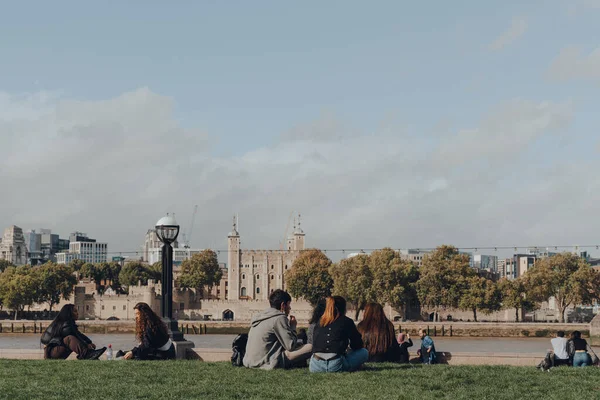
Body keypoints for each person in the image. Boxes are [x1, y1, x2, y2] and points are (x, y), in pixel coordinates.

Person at [243, 289, 311, 369]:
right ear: (283, 305)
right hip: (267, 362)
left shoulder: (260, 316)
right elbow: (290, 346)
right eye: (288, 304)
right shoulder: (279, 318)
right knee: (311, 347)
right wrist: (293, 327)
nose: (290, 308)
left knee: (299, 345)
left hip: (249, 362)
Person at [309, 296, 369, 373]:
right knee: (364, 352)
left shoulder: (319, 322)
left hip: (315, 366)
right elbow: (357, 344)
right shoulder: (347, 321)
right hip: (335, 365)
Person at [41, 304, 106, 360]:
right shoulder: (65, 324)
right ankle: (87, 354)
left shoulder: (67, 323)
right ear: (69, 313)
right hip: (51, 353)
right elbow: (76, 336)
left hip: (55, 351)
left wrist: (89, 342)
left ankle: (89, 355)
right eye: (75, 311)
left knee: (72, 340)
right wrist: (87, 344)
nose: (77, 313)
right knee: (70, 338)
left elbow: (78, 334)